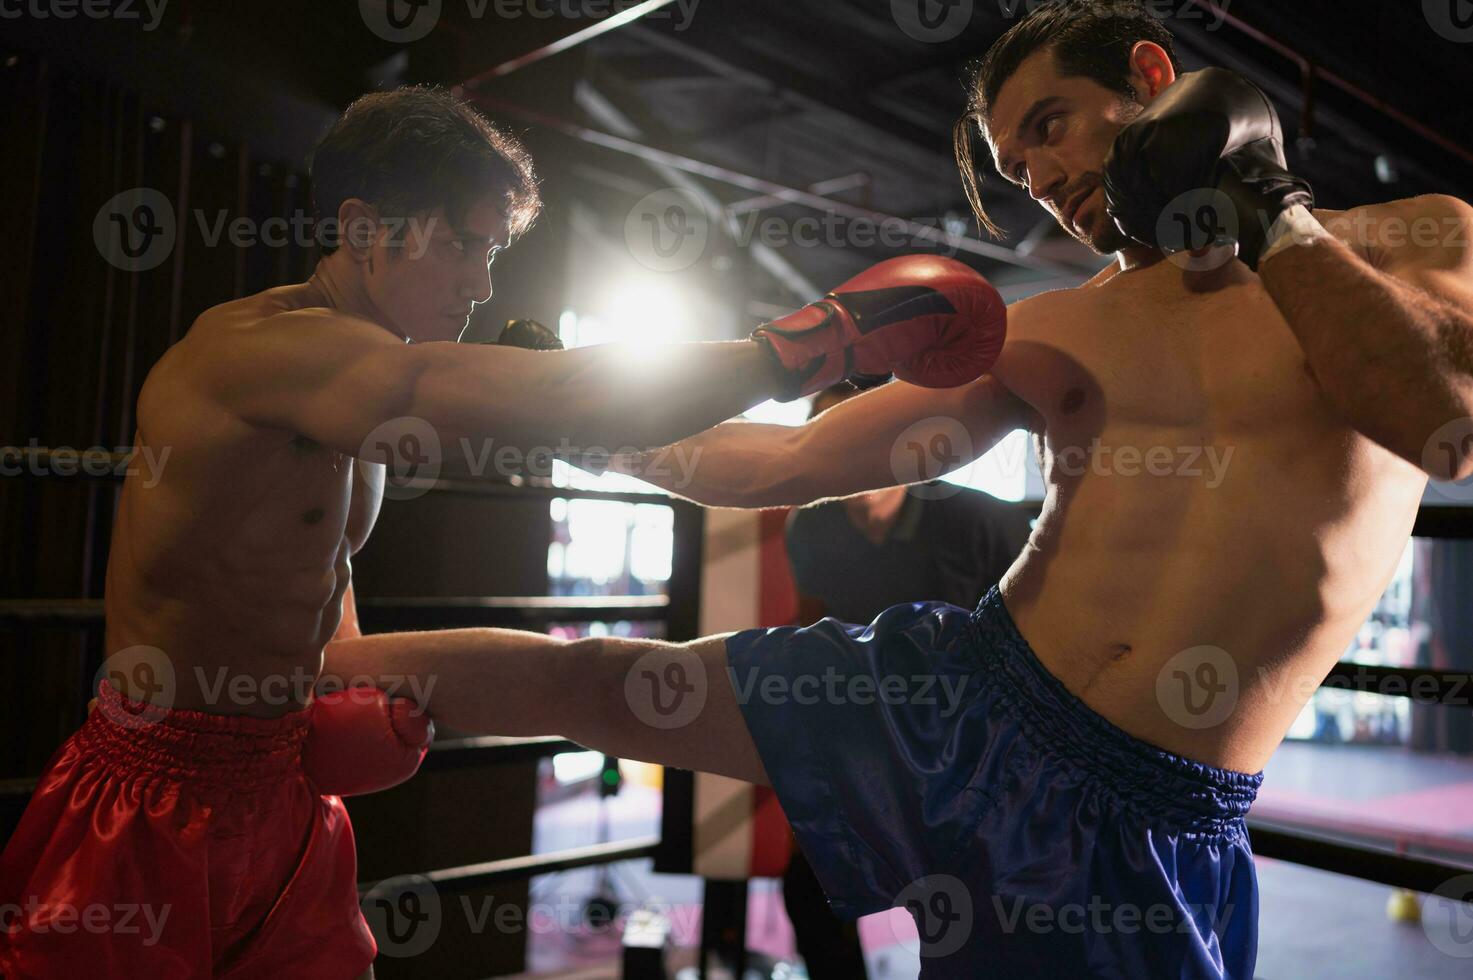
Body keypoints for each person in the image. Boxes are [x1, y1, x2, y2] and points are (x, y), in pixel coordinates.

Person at [311, 2, 1473, 976]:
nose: (1050, 180)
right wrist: (574, 416)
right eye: (1023, 166)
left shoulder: (1416, 235)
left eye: (1054, 128)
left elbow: (1440, 419)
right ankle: (273, 676)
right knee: (604, 679)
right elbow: (781, 462)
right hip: (963, 693)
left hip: (1156, 808)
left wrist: (1266, 204)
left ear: (1157, 81)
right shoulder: (1057, 325)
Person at [0, 85, 1003, 978]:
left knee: (574, 681)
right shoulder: (263, 353)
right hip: (152, 792)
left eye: (494, 251)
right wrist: (808, 345)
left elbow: (317, 596)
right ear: (366, 227)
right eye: (468, 245)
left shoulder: (353, 398)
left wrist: (323, 701)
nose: (481, 285)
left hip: (283, 790)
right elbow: (577, 396)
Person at [779, 383, 1033, 978]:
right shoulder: (810, 529)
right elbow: (819, 642)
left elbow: (1047, 647)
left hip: (976, 758)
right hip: (877, 744)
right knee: (808, 889)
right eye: (823, 434)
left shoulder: (982, 522)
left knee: (970, 925)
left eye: (852, 429)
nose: (837, 448)